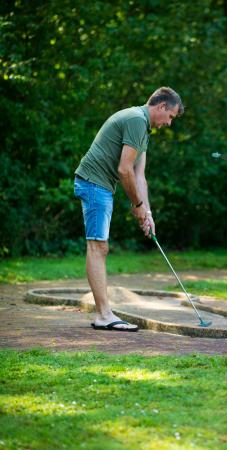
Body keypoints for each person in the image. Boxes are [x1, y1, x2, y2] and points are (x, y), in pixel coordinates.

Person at [74, 87, 184, 331]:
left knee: (100, 246)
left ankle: (104, 314)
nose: (169, 122)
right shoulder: (135, 120)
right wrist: (137, 205)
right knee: (98, 246)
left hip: (101, 185)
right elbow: (124, 170)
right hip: (93, 183)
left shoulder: (144, 128)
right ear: (162, 106)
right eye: (171, 116)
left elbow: (138, 175)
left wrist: (148, 213)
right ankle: (103, 315)